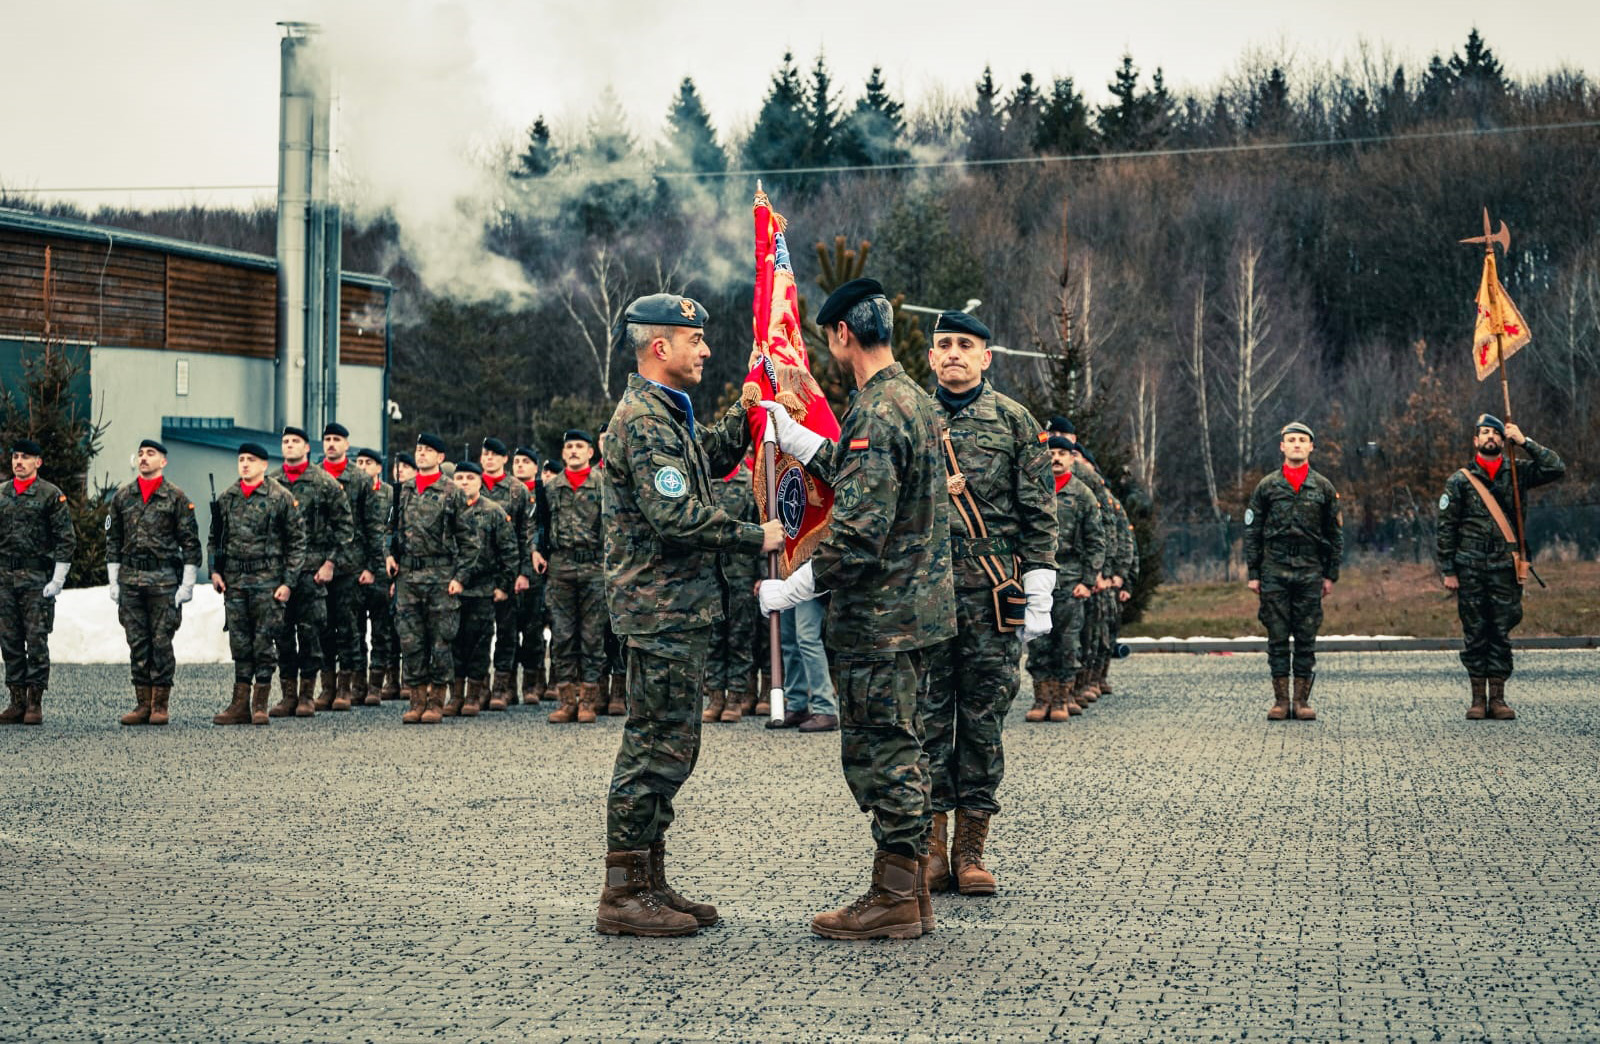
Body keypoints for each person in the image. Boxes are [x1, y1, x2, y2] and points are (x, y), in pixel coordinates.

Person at [760, 278, 956, 940]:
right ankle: (910, 894)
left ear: (843, 333)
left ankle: (894, 897)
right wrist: (799, 440)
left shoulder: (876, 411)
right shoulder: (913, 400)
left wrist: (792, 588)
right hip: (915, 615)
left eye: (830, 337)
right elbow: (864, 477)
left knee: (883, 755)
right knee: (904, 746)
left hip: (880, 622)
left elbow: (858, 533)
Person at [594, 292, 782, 937]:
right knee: (654, 747)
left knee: (673, 744)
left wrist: (749, 402)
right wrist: (754, 535)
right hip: (660, 611)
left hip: (676, 610)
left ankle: (649, 880)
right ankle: (623, 893)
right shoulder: (644, 421)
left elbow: (714, 458)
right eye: (694, 340)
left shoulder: (669, 414)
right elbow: (673, 515)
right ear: (660, 346)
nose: (705, 350)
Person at [918, 310, 1056, 897]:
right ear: (931, 356)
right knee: (926, 720)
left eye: (965, 344)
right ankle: (929, 848)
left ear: (986, 357)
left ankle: (970, 850)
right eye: (944, 344)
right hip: (924, 595)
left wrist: (1041, 584)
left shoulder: (1014, 421)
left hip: (991, 592)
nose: (954, 352)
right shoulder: (912, 416)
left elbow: (1038, 511)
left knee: (982, 722)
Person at [1437, 414, 1564, 720]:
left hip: (1505, 568)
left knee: (1501, 631)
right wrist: (1448, 569)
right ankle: (1477, 699)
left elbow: (1555, 467)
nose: (1490, 437)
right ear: (1475, 441)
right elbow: (1446, 528)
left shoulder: (1517, 472)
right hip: (1470, 567)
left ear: (1502, 439)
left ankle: (1498, 698)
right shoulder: (1459, 481)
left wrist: (1524, 441)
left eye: (1495, 433)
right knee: (1475, 632)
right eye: (1484, 432)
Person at [1243, 421, 1344, 721]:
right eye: (1291, 440)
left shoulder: (1323, 487)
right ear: (1282, 446)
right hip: (1274, 570)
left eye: (1302, 440)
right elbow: (1253, 531)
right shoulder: (1267, 486)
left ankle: (1301, 701)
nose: (1297, 444)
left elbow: (1335, 534)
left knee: (1305, 636)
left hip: (1310, 571)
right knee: (1276, 636)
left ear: (1311, 447)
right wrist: (1254, 573)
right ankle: (1280, 701)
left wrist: (1330, 574)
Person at [208, 443, 306, 726]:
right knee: (240, 642)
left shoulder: (280, 497)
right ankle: (239, 704)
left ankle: (259, 704)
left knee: (264, 642)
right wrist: (215, 571)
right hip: (235, 581)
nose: (245, 464)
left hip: (267, 581)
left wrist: (288, 582)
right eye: (241, 459)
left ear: (264, 465)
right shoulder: (227, 498)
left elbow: (297, 542)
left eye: (251, 460)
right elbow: (215, 538)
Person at [105, 438, 202, 726]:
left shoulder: (176, 497)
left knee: (161, 641)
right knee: (137, 642)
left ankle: (160, 704)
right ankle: (142, 704)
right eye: (141, 454)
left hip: (163, 580)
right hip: (131, 579)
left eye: (151, 453)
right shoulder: (123, 497)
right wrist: (113, 579)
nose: (144, 458)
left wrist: (187, 584)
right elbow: (113, 539)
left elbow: (190, 542)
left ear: (163, 461)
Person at [386, 433, 476, 725]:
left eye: (428, 450)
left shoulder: (452, 492)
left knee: (440, 641)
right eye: (419, 449)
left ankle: (436, 701)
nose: (421, 454)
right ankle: (416, 700)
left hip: (440, 576)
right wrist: (388, 556)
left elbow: (470, 540)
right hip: (408, 576)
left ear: (440, 457)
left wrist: (460, 577)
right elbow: (389, 529)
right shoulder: (403, 490)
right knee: (410, 641)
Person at [269, 426, 354, 717]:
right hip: (280, 571)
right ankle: (288, 695)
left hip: (311, 569)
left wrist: (330, 563)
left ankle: (307, 694)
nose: (290, 445)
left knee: (310, 633)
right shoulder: (272, 483)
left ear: (307, 448)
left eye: (296, 441)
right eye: (286, 441)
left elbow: (345, 527)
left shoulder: (324, 482)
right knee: (281, 633)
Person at [1024, 435, 1105, 723]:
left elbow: (1096, 541)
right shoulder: (1033, 490)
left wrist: (1088, 580)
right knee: (1038, 640)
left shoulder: (1082, 494)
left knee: (1068, 642)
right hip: (1037, 576)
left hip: (1070, 579)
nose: (1056, 458)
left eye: (1062, 453)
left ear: (1072, 458)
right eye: (1051, 453)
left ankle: (1061, 697)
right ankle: (1041, 698)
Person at [0, 438, 76, 726]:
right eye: (15, 457)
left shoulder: (50, 495)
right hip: (5, 580)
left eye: (25, 457)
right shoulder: (2, 494)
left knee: (36, 641)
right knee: (9, 641)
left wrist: (58, 578)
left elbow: (65, 539)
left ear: (38, 462)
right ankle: (16, 701)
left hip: (35, 581)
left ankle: (35, 702)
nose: (19, 462)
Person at [543, 429, 607, 723]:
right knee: (562, 635)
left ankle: (588, 702)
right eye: (569, 446)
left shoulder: (602, 484)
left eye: (579, 446)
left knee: (592, 636)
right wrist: (536, 550)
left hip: (593, 565)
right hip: (561, 566)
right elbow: (540, 524)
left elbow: (613, 525)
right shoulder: (551, 487)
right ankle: (567, 701)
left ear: (590, 452)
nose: (573, 451)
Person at [445, 461, 517, 717]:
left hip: (483, 589)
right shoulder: (447, 510)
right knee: (453, 642)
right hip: (452, 588)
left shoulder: (493, 511)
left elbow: (509, 551)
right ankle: (456, 695)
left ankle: (474, 695)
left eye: (470, 478)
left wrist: (504, 586)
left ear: (480, 482)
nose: (464, 482)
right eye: (460, 478)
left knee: (479, 643)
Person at [318, 423, 381, 708]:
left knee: (348, 628)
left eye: (337, 439)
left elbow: (372, 526)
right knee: (322, 628)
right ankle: (326, 687)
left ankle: (346, 687)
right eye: (327, 439)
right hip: (317, 564)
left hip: (350, 566)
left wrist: (372, 566)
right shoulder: (314, 476)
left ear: (346, 444)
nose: (331, 444)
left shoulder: (360, 479)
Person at [476, 438, 533, 710]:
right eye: (485, 454)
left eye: (494, 455)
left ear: (504, 459)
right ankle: (479, 687)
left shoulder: (517, 491)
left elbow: (526, 535)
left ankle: (503, 686)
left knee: (507, 631)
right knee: (477, 633)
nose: (489, 458)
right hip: (477, 573)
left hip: (506, 571)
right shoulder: (471, 485)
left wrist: (523, 573)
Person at [702, 461, 761, 724]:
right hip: (711, 573)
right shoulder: (706, 483)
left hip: (742, 573)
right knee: (713, 639)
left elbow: (762, 530)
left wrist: (762, 575)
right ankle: (715, 698)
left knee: (740, 638)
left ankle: (736, 697)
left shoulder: (750, 484)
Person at [354, 447, 398, 703]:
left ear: (379, 468)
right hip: (354, 569)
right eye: (359, 462)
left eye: (368, 462)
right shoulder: (350, 492)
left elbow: (394, 533)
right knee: (355, 630)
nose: (362, 467)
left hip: (382, 571)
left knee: (381, 631)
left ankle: (375, 686)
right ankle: (357, 685)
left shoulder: (390, 494)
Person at [513, 447, 550, 704]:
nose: (520, 465)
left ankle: (533, 683)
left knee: (534, 630)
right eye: (517, 461)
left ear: (535, 467)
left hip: (536, 573)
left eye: (526, 462)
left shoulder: (542, 494)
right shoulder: (509, 493)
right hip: (509, 570)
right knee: (509, 630)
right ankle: (506, 685)